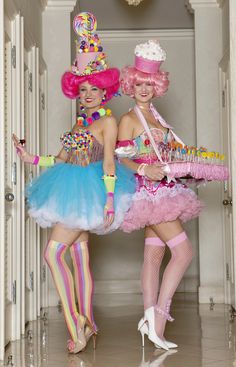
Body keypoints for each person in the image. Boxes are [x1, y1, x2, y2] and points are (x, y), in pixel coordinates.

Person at [13, 12, 135, 354]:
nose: (87, 94)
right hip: (71, 186)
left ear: (104, 90)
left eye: (93, 89)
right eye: (82, 90)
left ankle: (77, 327)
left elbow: (109, 160)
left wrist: (110, 199)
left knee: (53, 254)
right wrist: (30, 159)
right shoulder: (81, 124)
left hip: (92, 191)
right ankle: (89, 322)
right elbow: (61, 159)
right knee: (79, 255)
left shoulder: (108, 123)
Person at [116, 40, 203, 350]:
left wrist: (184, 165)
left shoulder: (156, 116)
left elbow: (164, 152)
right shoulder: (128, 119)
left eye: (149, 84)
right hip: (150, 193)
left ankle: (149, 323)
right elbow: (122, 158)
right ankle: (158, 320)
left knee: (153, 256)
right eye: (139, 83)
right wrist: (143, 170)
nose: (144, 88)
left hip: (165, 187)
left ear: (157, 86)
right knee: (183, 253)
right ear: (131, 84)